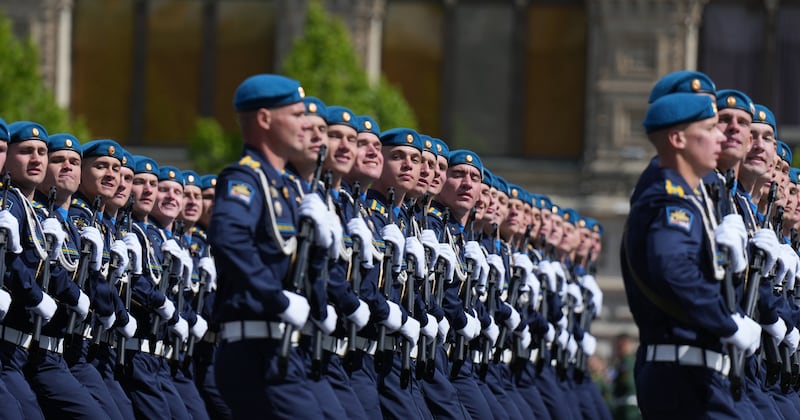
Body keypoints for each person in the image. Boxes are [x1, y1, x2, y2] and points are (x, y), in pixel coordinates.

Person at [621, 92, 761, 418]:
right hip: (682, 372)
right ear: (677, 138)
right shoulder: (670, 199)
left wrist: (737, 268)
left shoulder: (694, 198)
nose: (721, 136)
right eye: (711, 127)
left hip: (699, 371)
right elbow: (673, 270)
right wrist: (728, 323)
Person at [209, 74, 333, 418]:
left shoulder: (283, 188)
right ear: (264, 119)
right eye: (296, 115)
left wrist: (323, 247)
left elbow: (295, 265)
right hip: (254, 351)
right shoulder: (245, 179)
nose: (307, 125)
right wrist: (275, 299)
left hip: (281, 348)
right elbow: (228, 239)